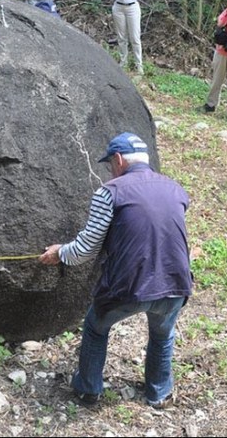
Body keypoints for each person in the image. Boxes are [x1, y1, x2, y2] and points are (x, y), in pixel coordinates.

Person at [39, 132, 194, 408]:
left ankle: (88, 389)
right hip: (176, 283)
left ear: (119, 160)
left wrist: (60, 253)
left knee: (96, 326)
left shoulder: (110, 192)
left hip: (129, 286)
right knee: (162, 334)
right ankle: (158, 394)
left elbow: (87, 248)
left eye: (110, 164)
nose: (110, 171)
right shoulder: (176, 189)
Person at [109, 0, 144, 75]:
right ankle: (124, 62)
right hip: (118, 7)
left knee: (135, 37)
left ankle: (139, 64)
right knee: (121, 37)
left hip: (132, 7)